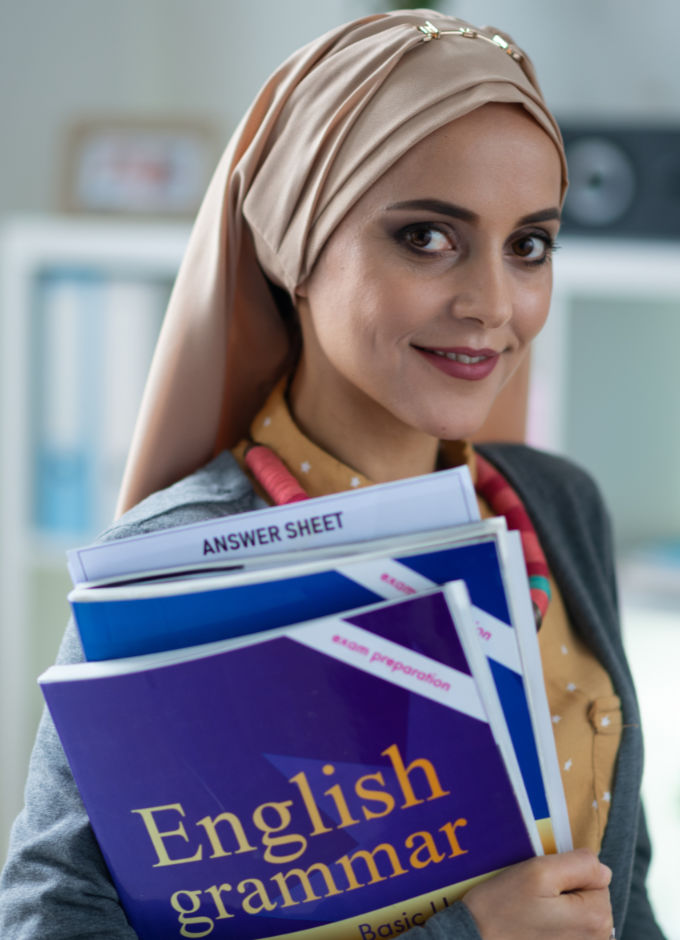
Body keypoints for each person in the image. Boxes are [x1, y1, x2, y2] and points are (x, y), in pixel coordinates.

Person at [0, 9, 666, 939]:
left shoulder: (556, 505)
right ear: (295, 247)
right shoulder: (170, 560)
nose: (493, 303)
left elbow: (619, 882)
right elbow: (51, 920)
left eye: (530, 245)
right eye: (428, 238)